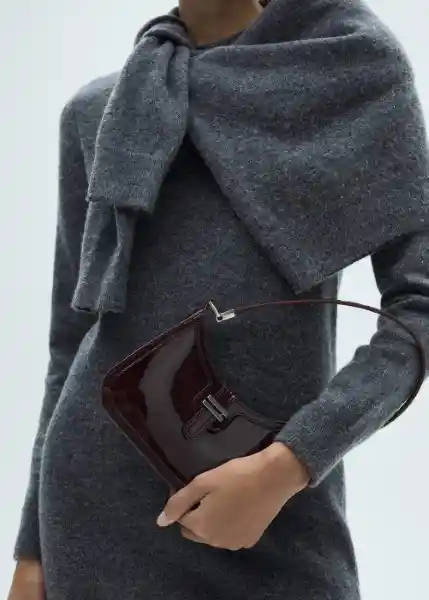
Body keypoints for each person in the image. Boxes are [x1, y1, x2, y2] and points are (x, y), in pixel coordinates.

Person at [7, 1, 429, 599]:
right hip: (95, 521)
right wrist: (32, 551)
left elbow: (419, 307)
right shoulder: (102, 110)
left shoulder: (347, 69)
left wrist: (290, 462)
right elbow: (70, 340)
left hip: (275, 509)